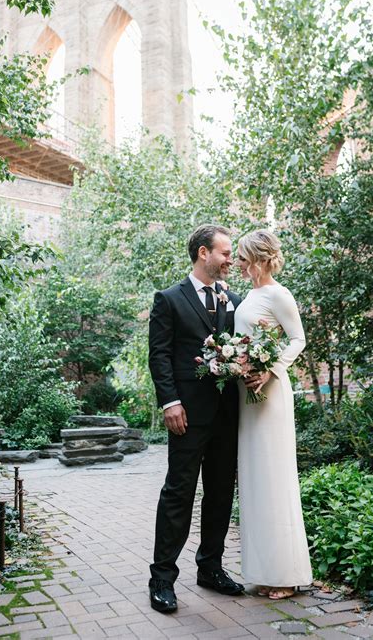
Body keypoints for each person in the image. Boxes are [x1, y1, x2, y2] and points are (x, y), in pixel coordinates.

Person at [148, 224, 244, 613]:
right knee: (179, 492)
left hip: (226, 413)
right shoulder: (169, 299)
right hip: (186, 414)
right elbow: (160, 355)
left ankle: (211, 568)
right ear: (203, 253)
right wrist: (170, 402)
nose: (230, 260)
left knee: (220, 492)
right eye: (225, 252)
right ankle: (162, 579)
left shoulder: (233, 299)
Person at [235, 229, 312, 600]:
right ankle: (264, 571)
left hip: (270, 393)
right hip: (245, 397)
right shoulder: (249, 295)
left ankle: (286, 573)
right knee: (254, 481)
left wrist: (270, 369)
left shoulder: (279, 294)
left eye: (242, 256)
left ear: (259, 258)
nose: (237, 263)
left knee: (274, 478)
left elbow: (297, 338)